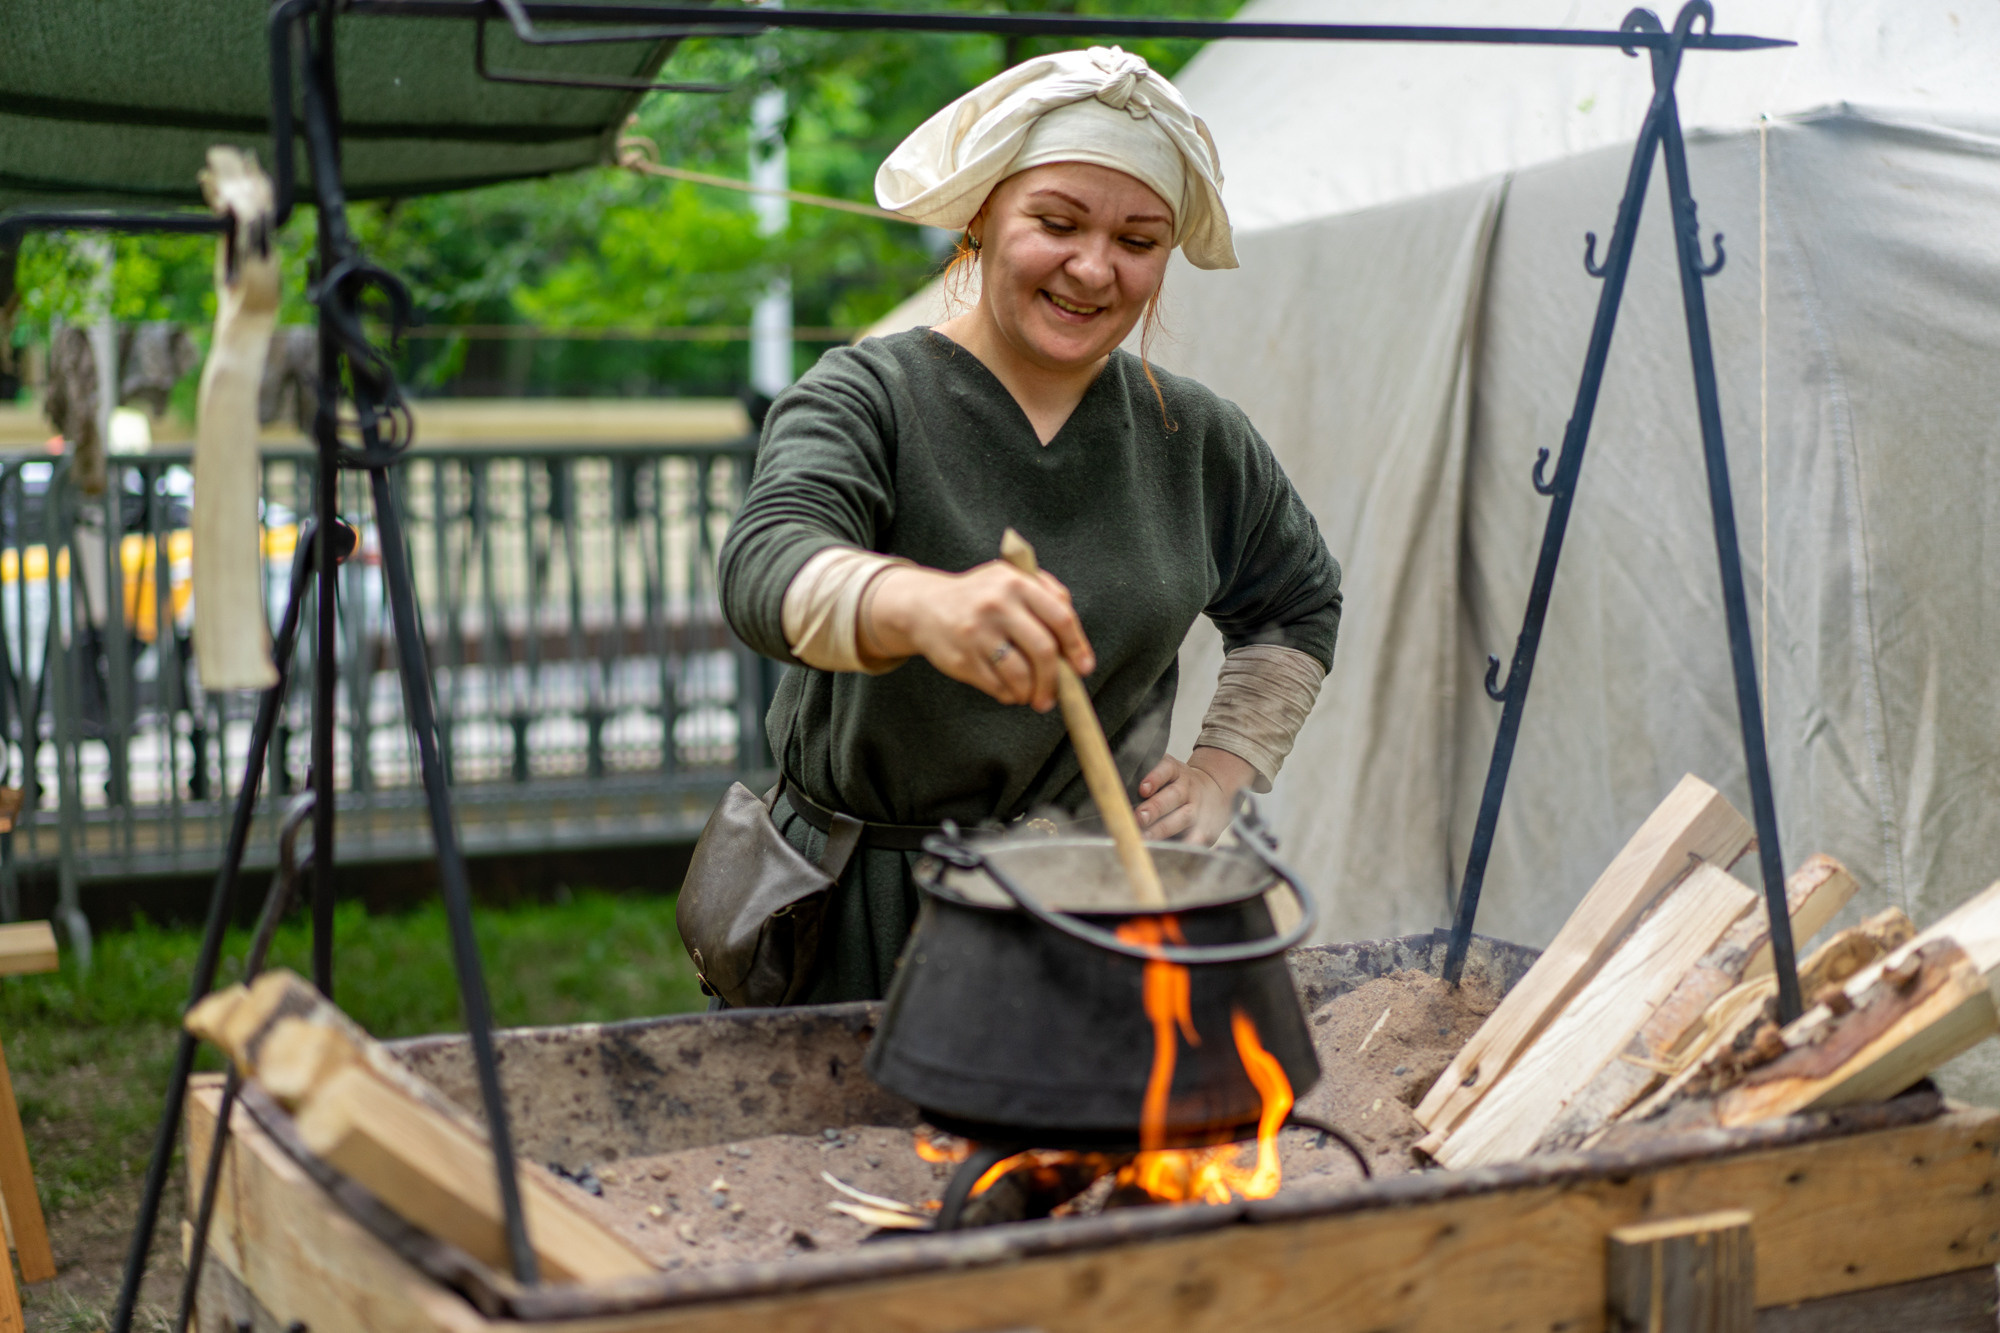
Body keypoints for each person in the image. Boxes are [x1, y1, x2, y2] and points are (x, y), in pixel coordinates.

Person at [718, 46, 1342, 1003]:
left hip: (1091, 916)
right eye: (1056, 223)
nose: (1093, 267)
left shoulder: (1193, 435)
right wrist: (921, 608)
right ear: (981, 217)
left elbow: (1297, 605)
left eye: (1138, 240)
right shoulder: (867, 396)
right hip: (856, 920)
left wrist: (1222, 770)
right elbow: (767, 565)